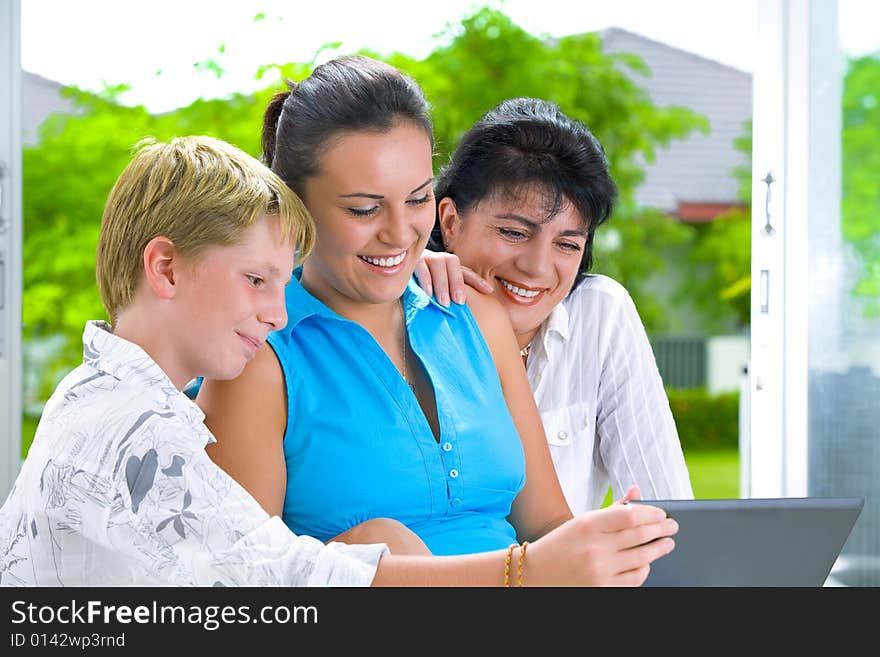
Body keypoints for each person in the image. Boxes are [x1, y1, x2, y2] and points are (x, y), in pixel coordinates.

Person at [0, 134, 676, 587]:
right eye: (257, 281)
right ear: (166, 268)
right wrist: (522, 570)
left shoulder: (117, 404)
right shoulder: (129, 435)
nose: (277, 311)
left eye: (279, 282)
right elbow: (279, 578)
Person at [197, 55, 676, 582]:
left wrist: (606, 548)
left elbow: (548, 526)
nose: (401, 233)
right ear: (294, 206)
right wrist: (519, 575)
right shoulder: (257, 356)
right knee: (377, 540)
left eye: (417, 198)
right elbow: (243, 587)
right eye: (364, 209)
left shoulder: (475, 316)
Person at [418, 97, 694, 514]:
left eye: (567, 244)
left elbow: (667, 509)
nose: (537, 267)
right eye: (513, 232)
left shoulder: (600, 314)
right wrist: (397, 274)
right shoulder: (402, 308)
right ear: (450, 222)